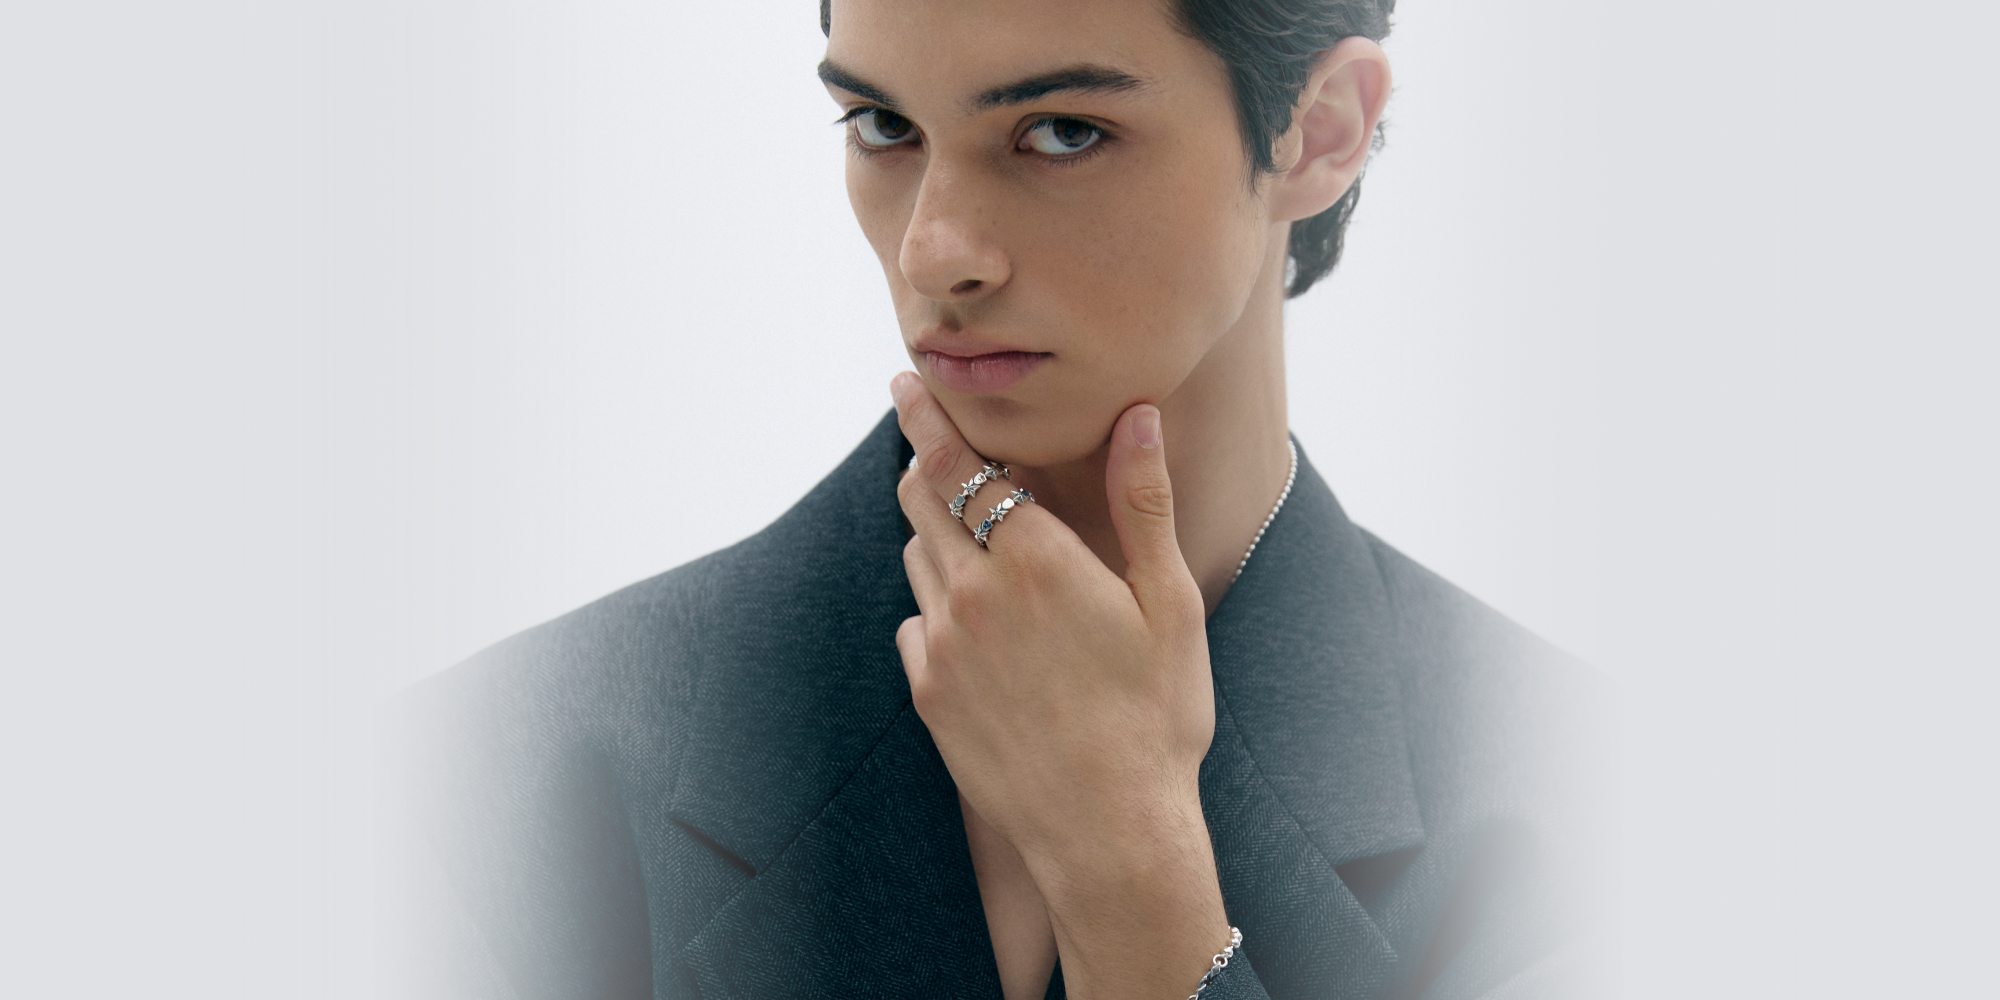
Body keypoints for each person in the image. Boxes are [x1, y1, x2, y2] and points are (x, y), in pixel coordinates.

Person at [397, 0, 1607, 997]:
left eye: (1062, 131)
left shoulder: (1585, 819)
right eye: (882, 124)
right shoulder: (486, 782)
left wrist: (1135, 890)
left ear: (1320, 130)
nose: (933, 252)